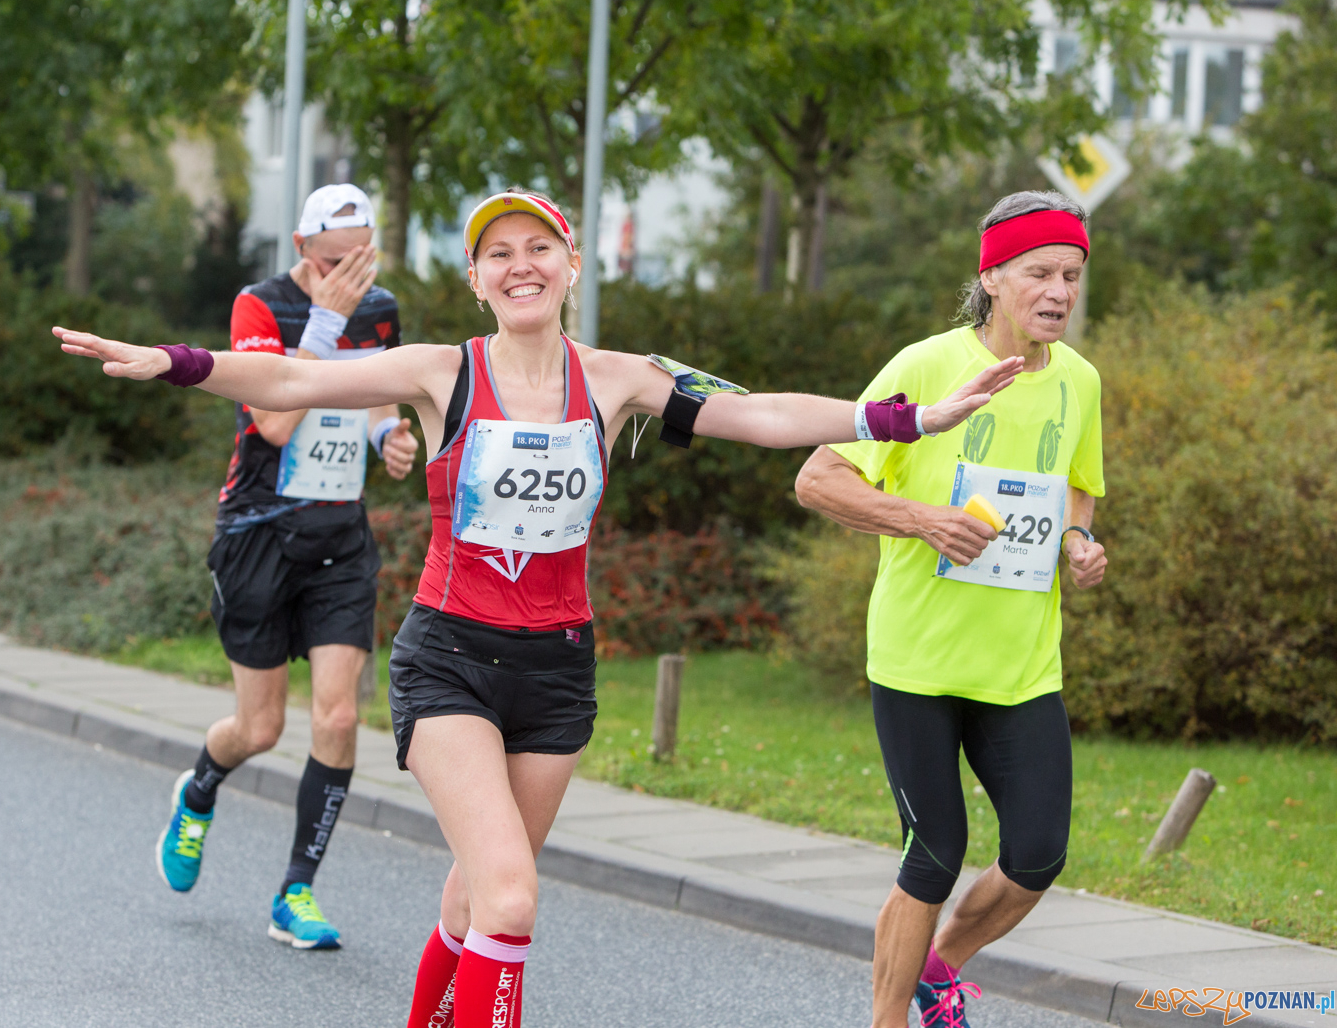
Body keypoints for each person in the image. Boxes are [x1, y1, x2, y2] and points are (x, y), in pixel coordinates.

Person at [55, 188, 1021, 1027]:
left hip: (557, 672)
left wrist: (908, 417)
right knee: (511, 898)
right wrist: (176, 362)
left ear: (569, 265)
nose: (521, 267)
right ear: (477, 280)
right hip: (449, 660)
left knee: (474, 901)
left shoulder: (620, 379)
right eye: (498, 254)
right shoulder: (442, 371)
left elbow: (759, 413)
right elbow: (296, 378)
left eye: (538, 249)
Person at [794, 190, 1108, 1028]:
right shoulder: (926, 368)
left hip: (1020, 665)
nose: (1060, 291)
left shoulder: (1080, 381)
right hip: (918, 660)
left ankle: (938, 971)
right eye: (1040, 272)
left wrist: (1078, 542)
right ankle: (888, 1019)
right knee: (934, 854)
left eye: (1072, 275)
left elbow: (1078, 488)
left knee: (1039, 852)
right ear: (994, 277)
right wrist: (923, 518)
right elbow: (818, 477)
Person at [153, 183, 422, 951]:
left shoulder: (378, 308)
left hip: (340, 536)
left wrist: (386, 441)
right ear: (304, 249)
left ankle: (295, 892)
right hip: (259, 534)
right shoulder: (259, 307)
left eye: (366, 256)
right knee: (261, 725)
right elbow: (271, 418)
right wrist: (326, 323)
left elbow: (376, 399)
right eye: (340, 259)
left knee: (338, 716)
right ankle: (200, 787)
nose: (355, 273)